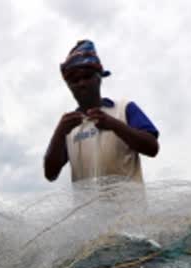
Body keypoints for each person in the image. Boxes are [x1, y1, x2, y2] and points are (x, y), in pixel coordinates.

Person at [44, 40, 159, 183]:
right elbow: (50, 174)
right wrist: (59, 132)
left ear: (99, 78)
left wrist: (114, 125)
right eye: (74, 80)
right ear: (69, 86)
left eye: (87, 76)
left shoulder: (124, 108)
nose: (82, 83)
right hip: (87, 206)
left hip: (129, 205)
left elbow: (152, 148)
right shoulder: (69, 127)